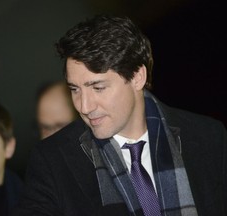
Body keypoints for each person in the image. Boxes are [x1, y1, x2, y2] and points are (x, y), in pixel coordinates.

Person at [14, 15, 227, 216]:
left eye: (97, 88)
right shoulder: (52, 160)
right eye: (75, 89)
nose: (84, 106)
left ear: (137, 77)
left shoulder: (208, 137)